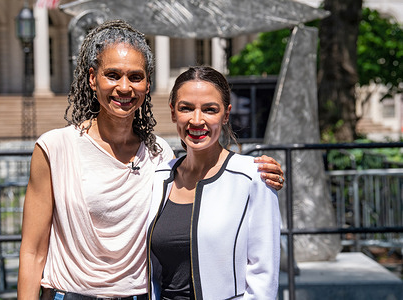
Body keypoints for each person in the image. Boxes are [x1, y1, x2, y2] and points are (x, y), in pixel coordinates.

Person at [17, 20, 283, 300]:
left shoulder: (160, 157)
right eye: (113, 75)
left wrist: (258, 172)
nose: (124, 87)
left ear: (146, 85)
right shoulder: (55, 148)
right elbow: (32, 251)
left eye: (135, 77)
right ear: (93, 78)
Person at [147, 66, 281, 300]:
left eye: (209, 110)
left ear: (226, 114)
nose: (197, 120)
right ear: (172, 112)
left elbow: (264, 278)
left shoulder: (254, 177)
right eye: (186, 108)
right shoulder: (158, 177)